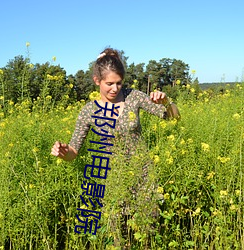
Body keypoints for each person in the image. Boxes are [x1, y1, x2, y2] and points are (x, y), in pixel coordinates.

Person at [51, 47, 180, 246]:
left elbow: (173, 118)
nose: (115, 88)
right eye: (109, 83)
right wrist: (63, 152)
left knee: (148, 234)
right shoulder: (89, 111)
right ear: (97, 81)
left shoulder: (133, 97)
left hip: (143, 175)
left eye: (119, 83)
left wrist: (167, 102)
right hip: (110, 182)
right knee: (116, 238)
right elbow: (74, 151)